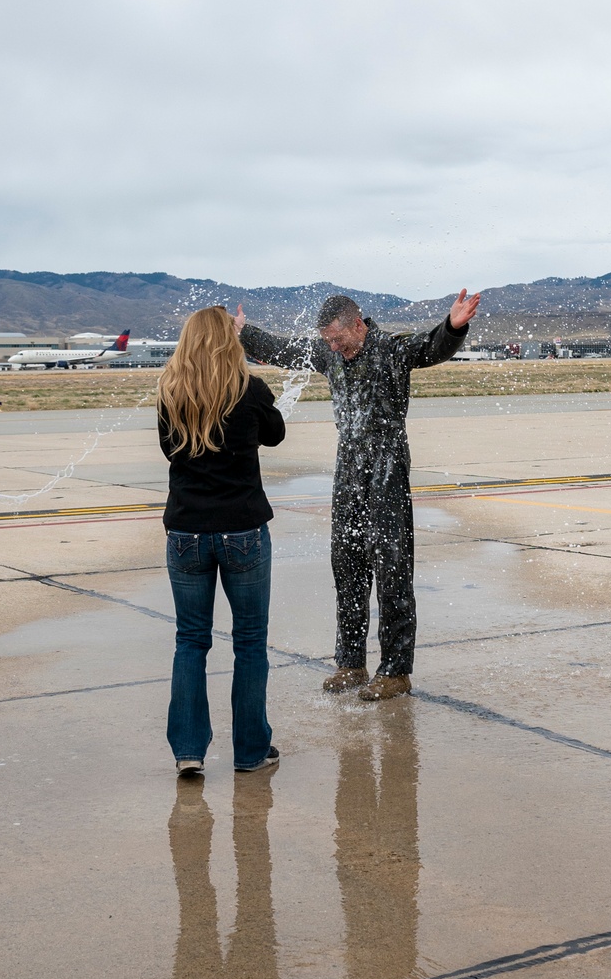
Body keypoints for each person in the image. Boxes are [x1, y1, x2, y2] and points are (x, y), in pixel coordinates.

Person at [235, 288, 480, 700]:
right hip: (348, 471)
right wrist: (246, 333)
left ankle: (396, 670)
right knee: (347, 568)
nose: (333, 347)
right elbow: (285, 350)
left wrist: (454, 326)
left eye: (338, 339)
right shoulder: (330, 354)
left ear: (358, 325)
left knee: (392, 572)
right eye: (327, 340)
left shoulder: (390, 349)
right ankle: (350, 663)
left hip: (387, 470)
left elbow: (430, 347)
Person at [158, 305, 286, 776]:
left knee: (191, 640)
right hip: (242, 530)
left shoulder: (170, 392)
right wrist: (246, 366)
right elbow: (275, 434)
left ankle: (188, 751)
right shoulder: (248, 389)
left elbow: (169, 449)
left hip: (187, 531)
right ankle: (251, 751)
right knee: (249, 642)